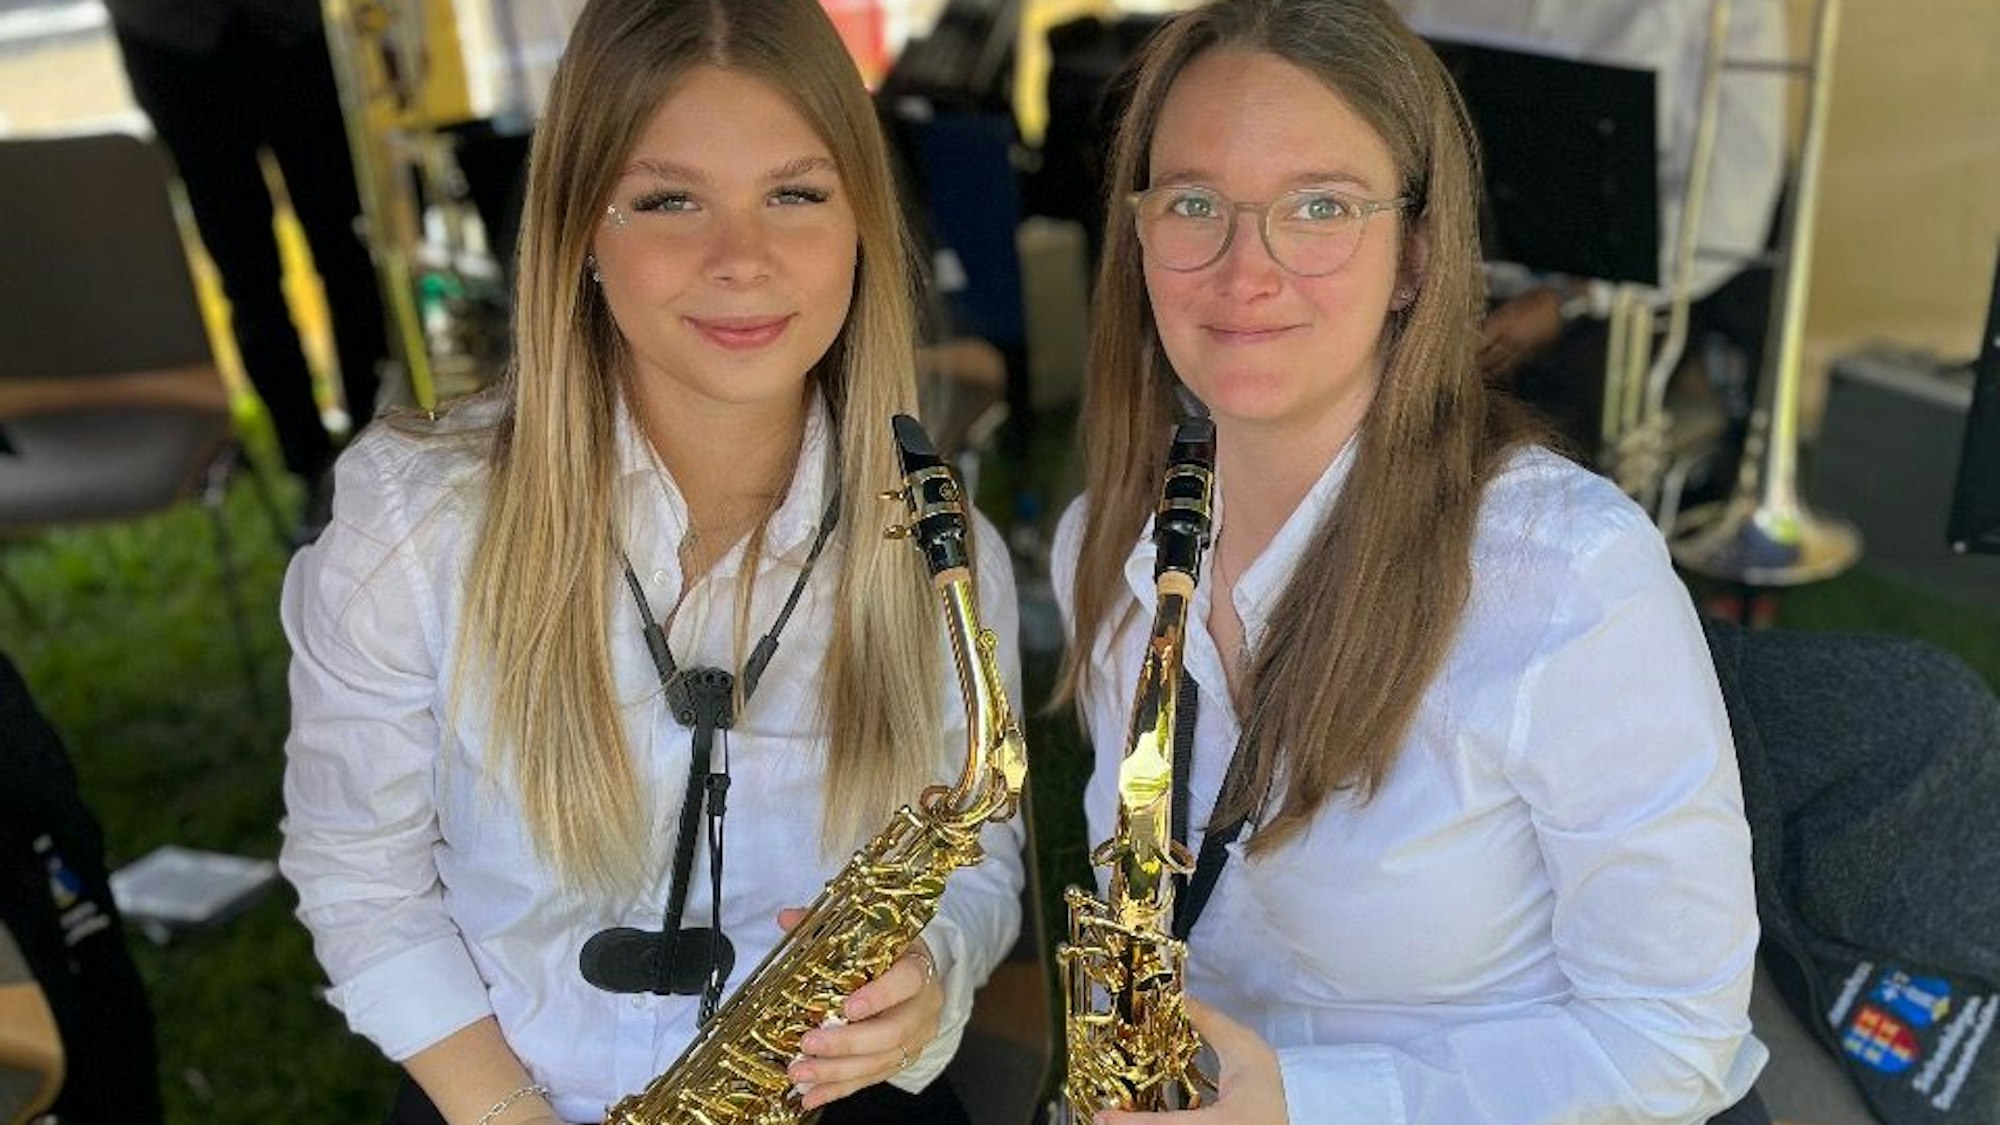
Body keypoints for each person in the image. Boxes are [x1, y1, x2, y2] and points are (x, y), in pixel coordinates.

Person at [277, 1, 1023, 1122]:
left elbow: (981, 858)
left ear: (862, 219)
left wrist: (931, 981)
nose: (741, 260)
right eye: (670, 199)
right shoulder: (415, 521)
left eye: (796, 194)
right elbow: (358, 878)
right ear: (580, 226)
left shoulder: (939, 552)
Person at [1051, 1, 1768, 1121]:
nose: (1246, 271)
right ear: (1137, 231)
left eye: (1320, 208)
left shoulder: (1567, 577)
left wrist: (1309, 1101)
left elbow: (1670, 1040)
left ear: (1413, 259)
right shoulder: (1105, 541)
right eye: (1194, 203)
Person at [1391, 0, 1788, 458]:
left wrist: (1570, 301)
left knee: (1523, 440)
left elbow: (1731, 204)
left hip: (1625, 291)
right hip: (1451, 253)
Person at [104, 0, 391, 531]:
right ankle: (309, 470)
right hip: (172, 39)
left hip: (297, 29)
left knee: (350, 252)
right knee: (247, 277)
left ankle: (376, 442)